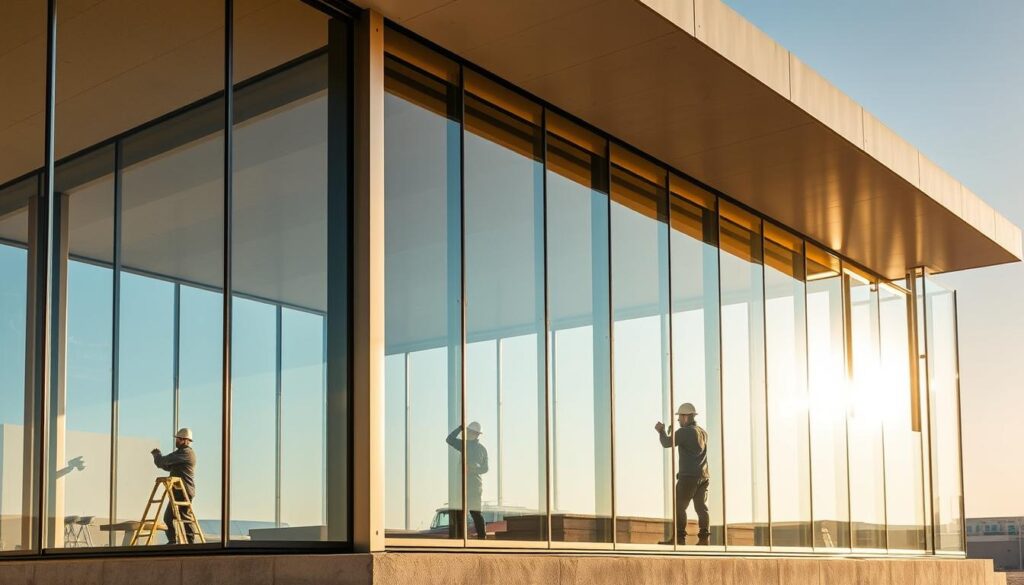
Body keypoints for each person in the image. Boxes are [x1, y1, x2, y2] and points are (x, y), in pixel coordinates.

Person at [655, 403, 710, 545]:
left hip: (688, 478)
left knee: (679, 507)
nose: (679, 420)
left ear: (686, 417)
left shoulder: (685, 432)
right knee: (701, 508)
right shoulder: (702, 432)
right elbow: (687, 444)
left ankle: (679, 538)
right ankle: (704, 538)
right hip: (703, 477)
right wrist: (674, 433)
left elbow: (666, 443)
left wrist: (661, 431)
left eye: (679, 417)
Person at [151, 427, 197, 544]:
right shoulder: (179, 454)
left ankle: (190, 544)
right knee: (168, 518)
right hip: (177, 492)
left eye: (179, 439)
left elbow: (163, 461)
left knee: (185, 518)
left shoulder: (186, 453)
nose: (177, 441)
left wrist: (157, 455)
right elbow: (165, 465)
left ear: (185, 440)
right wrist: (158, 459)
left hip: (184, 491)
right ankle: (172, 541)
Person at [445, 422, 488, 539]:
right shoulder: (478, 448)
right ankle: (479, 538)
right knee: (471, 513)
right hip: (471, 486)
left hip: (470, 486)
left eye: (469, 431)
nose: (467, 433)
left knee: (468, 513)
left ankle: (471, 538)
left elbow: (449, 439)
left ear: (474, 433)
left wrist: (460, 428)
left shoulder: (468, 446)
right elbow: (485, 468)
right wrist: (460, 428)